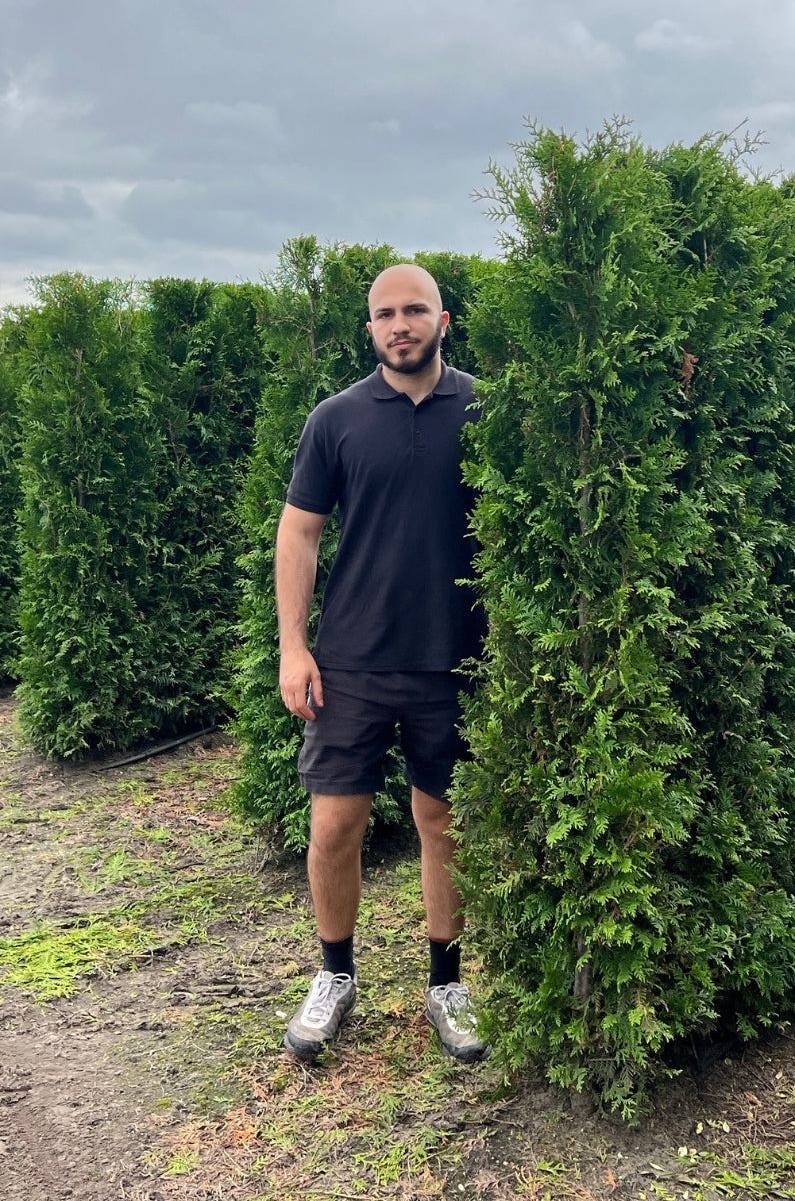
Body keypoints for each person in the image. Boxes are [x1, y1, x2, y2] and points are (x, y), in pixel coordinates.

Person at [275, 262, 486, 1064]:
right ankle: (335, 976)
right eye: (384, 314)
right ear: (369, 329)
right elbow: (298, 533)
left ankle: (446, 984)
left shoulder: (483, 409)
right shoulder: (335, 420)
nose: (400, 324)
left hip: (453, 661)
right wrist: (295, 647)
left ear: (442, 319)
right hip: (352, 663)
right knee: (334, 828)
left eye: (415, 310)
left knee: (443, 825)